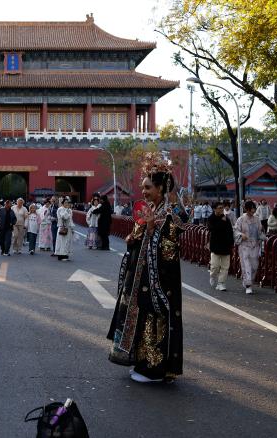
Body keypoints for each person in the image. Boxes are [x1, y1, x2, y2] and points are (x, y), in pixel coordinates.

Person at [108, 152, 183, 384]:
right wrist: (135, 236)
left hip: (158, 282)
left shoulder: (171, 214)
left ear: (161, 188)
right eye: (143, 187)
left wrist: (151, 230)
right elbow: (137, 238)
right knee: (142, 322)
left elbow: (170, 252)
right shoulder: (150, 210)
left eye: (148, 187)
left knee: (154, 322)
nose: (144, 191)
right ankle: (142, 362)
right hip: (141, 279)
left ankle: (155, 370)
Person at [234, 200, 267, 295]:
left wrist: (263, 237)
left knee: (254, 266)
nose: (252, 211)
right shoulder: (241, 219)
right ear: (246, 209)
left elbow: (260, 231)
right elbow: (236, 230)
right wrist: (241, 234)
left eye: (253, 209)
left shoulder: (257, 219)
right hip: (244, 246)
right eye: (251, 209)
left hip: (255, 245)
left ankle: (248, 281)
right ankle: (248, 285)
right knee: (246, 265)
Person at [207, 201, 234, 291]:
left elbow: (230, 231)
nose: (222, 209)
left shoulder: (226, 219)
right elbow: (212, 229)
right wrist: (221, 222)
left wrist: (231, 243)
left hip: (226, 246)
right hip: (215, 245)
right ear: (214, 209)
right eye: (219, 208)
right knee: (214, 266)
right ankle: (212, 275)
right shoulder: (211, 218)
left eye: (222, 208)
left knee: (225, 267)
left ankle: (221, 283)